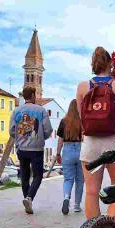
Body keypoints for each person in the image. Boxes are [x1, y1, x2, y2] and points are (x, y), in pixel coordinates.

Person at [77, 47, 115, 228]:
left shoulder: (83, 87)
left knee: (91, 191)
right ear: (111, 64)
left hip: (90, 144)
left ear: (93, 65)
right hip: (113, 142)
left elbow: (83, 120)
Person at [9, 85, 52, 214]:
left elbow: (11, 130)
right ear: (33, 96)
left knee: (25, 175)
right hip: (36, 149)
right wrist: (41, 137)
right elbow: (48, 129)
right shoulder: (41, 111)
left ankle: (26, 199)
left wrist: (18, 138)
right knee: (38, 175)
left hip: (21, 148)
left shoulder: (16, 111)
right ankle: (29, 198)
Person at [56, 99, 84, 215]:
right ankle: (77, 206)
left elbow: (60, 140)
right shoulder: (82, 122)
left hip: (67, 151)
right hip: (80, 150)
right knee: (80, 180)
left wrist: (58, 153)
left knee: (68, 179)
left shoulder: (64, 121)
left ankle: (66, 198)